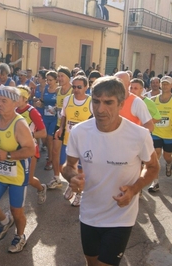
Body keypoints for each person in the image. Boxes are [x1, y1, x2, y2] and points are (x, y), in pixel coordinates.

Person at [62, 76, 159, 266]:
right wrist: (72, 177)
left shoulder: (139, 135)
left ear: (121, 104)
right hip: (89, 214)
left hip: (120, 217)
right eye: (96, 102)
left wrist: (134, 189)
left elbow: (153, 167)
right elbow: (68, 166)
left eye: (108, 103)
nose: (100, 109)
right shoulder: (79, 132)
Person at [0, 86, 35, 253]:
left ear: (14, 103)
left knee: (17, 211)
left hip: (17, 175)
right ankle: (5, 221)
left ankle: (20, 236)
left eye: (4, 101)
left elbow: (30, 150)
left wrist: (9, 156)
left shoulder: (20, 124)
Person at [55, 75, 93, 207]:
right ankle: (72, 183)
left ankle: (79, 193)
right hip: (68, 139)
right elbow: (64, 116)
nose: (76, 89)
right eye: (74, 87)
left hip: (85, 142)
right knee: (64, 166)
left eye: (79, 87)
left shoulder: (91, 102)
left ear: (86, 87)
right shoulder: (67, 99)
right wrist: (60, 128)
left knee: (81, 170)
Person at [16, 85, 47, 204]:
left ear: (25, 98)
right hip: (16, 149)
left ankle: (41, 188)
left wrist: (28, 136)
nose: (15, 99)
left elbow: (43, 133)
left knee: (28, 179)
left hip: (31, 148)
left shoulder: (32, 111)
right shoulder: (13, 110)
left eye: (18, 97)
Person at [47, 66, 72, 189]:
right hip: (58, 124)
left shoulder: (73, 90)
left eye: (62, 76)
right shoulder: (58, 90)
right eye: (59, 76)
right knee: (54, 151)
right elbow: (58, 108)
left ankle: (74, 182)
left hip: (70, 126)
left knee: (72, 155)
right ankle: (57, 178)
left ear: (68, 77)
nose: (60, 78)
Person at [148, 75, 172, 192]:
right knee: (156, 156)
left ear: (171, 86)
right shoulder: (153, 100)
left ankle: (169, 163)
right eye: (163, 83)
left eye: (167, 83)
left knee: (167, 156)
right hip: (156, 132)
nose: (165, 85)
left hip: (169, 134)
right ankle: (155, 182)